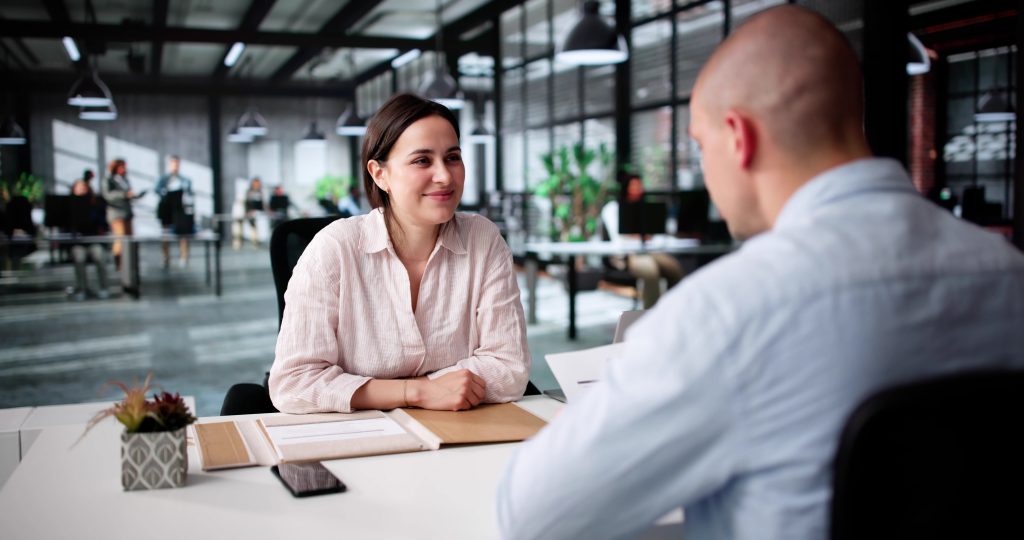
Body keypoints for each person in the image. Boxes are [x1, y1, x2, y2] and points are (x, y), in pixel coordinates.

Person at [495, 6, 1024, 540]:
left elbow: (533, 515)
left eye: (701, 145)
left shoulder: (728, 311)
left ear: (738, 137)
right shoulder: (1009, 273)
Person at [269, 93, 530, 413]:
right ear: (380, 174)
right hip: (358, 436)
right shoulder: (334, 249)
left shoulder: (483, 239)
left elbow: (509, 368)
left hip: (455, 431)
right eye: (422, 160)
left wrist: (411, 391)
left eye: (452, 157)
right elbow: (293, 384)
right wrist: (417, 392)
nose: (445, 176)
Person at [600, 173, 685, 308]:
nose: (637, 189)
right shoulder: (613, 208)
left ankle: (674, 309)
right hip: (627, 254)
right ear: (626, 187)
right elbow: (618, 237)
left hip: (649, 250)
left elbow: (655, 235)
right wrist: (637, 235)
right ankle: (651, 312)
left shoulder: (646, 208)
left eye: (639, 185)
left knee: (674, 268)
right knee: (650, 271)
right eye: (633, 185)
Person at [68, 177, 110, 300]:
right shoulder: (69, 205)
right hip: (78, 242)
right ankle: (82, 289)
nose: (82, 189)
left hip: (93, 239)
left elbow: (102, 222)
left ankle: (104, 288)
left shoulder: (95, 203)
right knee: (79, 258)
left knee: (100, 256)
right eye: (79, 187)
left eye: (84, 187)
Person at [155, 155, 193, 268]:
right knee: (165, 234)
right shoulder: (163, 179)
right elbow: (157, 190)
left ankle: (184, 257)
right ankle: (166, 257)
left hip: (179, 209)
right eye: (173, 164)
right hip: (166, 209)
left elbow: (189, 193)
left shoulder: (184, 179)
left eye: (177, 164)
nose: (175, 166)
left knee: (183, 234)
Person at [101, 158, 134, 269]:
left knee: (129, 240)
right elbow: (107, 195)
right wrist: (123, 195)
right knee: (120, 239)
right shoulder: (108, 180)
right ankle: (119, 265)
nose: (124, 169)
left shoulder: (124, 179)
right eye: (121, 167)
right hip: (116, 213)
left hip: (127, 213)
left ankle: (128, 264)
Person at [243, 177, 264, 247]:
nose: (257, 185)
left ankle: (258, 240)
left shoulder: (260, 192)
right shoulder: (249, 192)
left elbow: (262, 204)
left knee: (260, 226)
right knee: (253, 227)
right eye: (255, 183)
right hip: (251, 212)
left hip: (259, 212)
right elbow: (247, 203)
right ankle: (255, 242)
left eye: (258, 183)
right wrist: (248, 211)